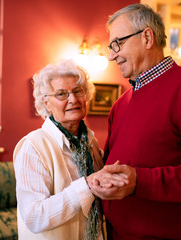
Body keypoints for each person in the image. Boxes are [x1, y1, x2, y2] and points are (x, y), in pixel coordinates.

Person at [88, 4, 181, 240]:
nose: (111, 55)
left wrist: (140, 181)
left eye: (118, 43)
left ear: (147, 37)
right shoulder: (121, 104)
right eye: (110, 46)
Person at [13, 59, 125, 240]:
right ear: (47, 103)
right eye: (61, 94)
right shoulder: (33, 146)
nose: (73, 99)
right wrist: (86, 186)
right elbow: (34, 217)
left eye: (77, 91)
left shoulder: (90, 141)